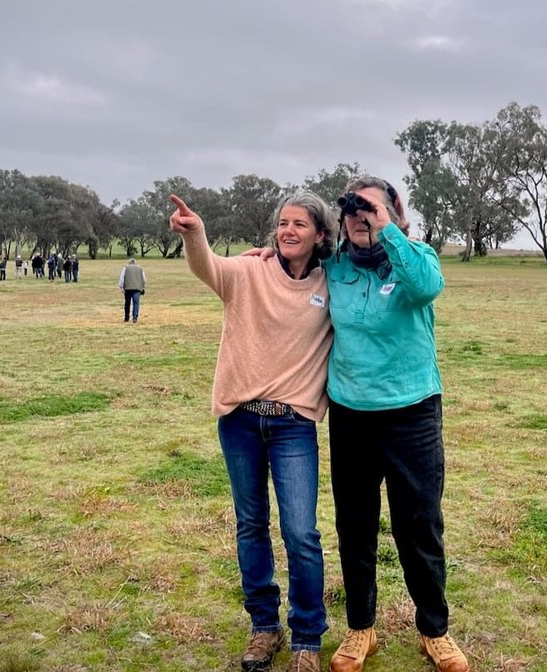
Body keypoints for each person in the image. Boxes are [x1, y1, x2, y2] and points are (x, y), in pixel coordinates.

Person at [168, 190, 337, 672]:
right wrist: (195, 234)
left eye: (300, 225)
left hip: (293, 426)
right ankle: (264, 626)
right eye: (283, 223)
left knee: (301, 532)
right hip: (239, 420)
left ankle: (307, 637)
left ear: (319, 234)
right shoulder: (248, 272)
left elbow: (362, 259)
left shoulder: (332, 285)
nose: (287, 231)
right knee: (251, 526)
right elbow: (209, 269)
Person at [324, 177, 468, 672]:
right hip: (350, 416)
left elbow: (428, 288)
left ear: (395, 212)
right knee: (355, 526)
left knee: (419, 525)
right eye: (352, 210)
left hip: (412, 414)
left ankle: (435, 631)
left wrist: (385, 229)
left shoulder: (417, 256)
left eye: (371, 208)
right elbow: (291, 269)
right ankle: (361, 629)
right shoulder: (335, 267)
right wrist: (269, 254)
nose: (359, 217)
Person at [118, 258, 146, 323]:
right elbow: (144, 280)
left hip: (127, 288)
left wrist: (121, 287)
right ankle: (135, 318)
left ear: (129, 263)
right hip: (137, 288)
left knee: (127, 303)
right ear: (135, 263)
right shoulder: (140, 269)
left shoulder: (125, 268)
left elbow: (122, 279)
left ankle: (126, 317)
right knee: (136, 303)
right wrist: (142, 287)